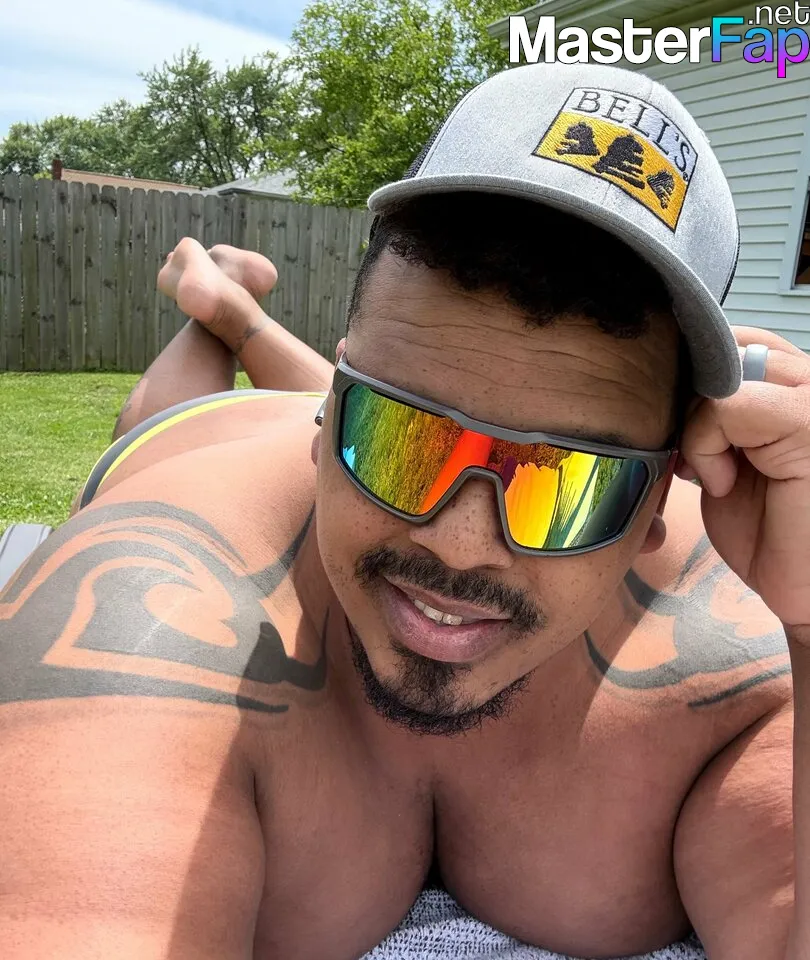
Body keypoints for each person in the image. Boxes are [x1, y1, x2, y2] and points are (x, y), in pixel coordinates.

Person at [1, 61, 809, 960]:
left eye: (566, 481)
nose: (461, 544)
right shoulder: (147, 619)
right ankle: (214, 312)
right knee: (157, 418)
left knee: (437, 407)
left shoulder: (731, 651)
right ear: (332, 417)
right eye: (395, 433)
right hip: (209, 444)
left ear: (663, 493)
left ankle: (257, 323)